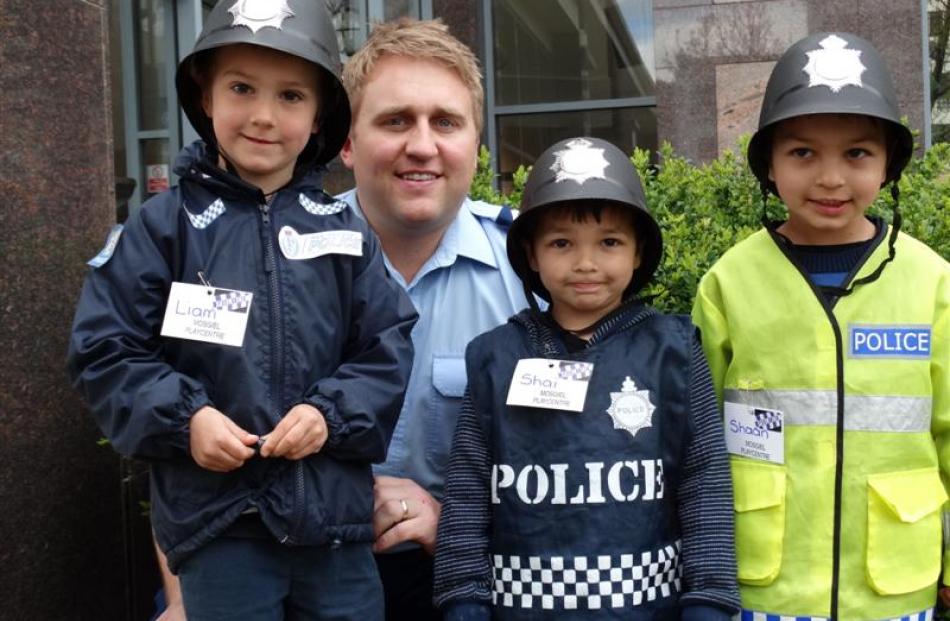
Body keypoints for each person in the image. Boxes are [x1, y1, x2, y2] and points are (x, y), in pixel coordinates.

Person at [67, 1, 417, 619]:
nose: (262, 114)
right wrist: (186, 419)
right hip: (217, 530)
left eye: (290, 96)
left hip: (334, 531)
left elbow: (386, 346)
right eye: (240, 88)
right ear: (205, 98)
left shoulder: (345, 234)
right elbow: (106, 348)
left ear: (318, 120)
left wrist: (329, 414)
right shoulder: (161, 228)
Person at [691, 32, 950, 621]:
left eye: (857, 154)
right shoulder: (729, 283)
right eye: (803, 153)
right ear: (769, 165)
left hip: (896, 587)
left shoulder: (933, 283)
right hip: (762, 587)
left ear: (888, 164)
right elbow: (698, 444)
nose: (831, 179)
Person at [433, 136, 740, 620]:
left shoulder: (674, 351)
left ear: (639, 252)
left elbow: (704, 480)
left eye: (610, 242)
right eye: (561, 243)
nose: (586, 263)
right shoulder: (495, 357)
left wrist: (710, 597)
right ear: (530, 254)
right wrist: (462, 596)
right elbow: (468, 487)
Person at [336, 18, 532, 620]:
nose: (421, 145)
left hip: (473, 581)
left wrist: (451, 523)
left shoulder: (535, 275)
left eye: (445, 122)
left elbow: (576, 465)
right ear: (345, 143)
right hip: (298, 575)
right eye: (395, 120)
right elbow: (185, 445)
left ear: (476, 144)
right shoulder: (275, 258)